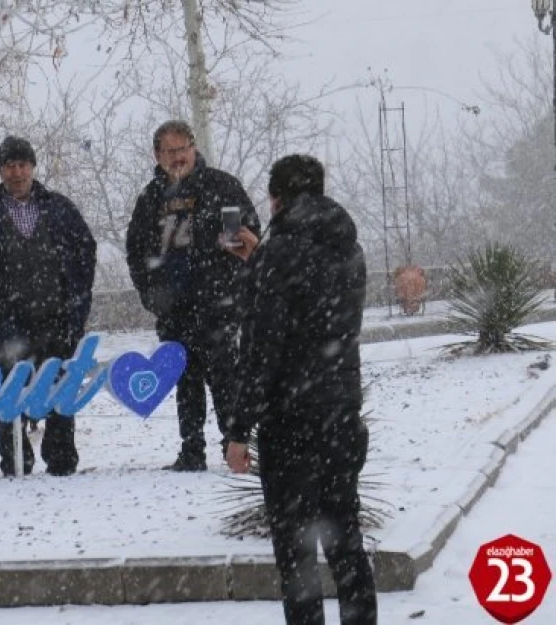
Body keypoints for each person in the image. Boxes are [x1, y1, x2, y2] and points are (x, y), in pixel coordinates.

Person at [223, 154, 377, 625]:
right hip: (341, 411)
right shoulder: (348, 249)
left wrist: (237, 429)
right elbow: (320, 316)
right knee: (345, 538)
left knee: (297, 553)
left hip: (290, 421)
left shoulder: (279, 254)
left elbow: (262, 349)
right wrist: (261, 262)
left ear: (275, 199)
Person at [0, 136, 96, 477]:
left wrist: (77, 305)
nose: (16, 172)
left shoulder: (59, 209)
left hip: (55, 319)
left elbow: (86, 253)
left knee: (58, 388)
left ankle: (61, 458)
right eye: (9, 165)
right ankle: (14, 460)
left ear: (33, 167)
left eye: (22, 164)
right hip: (2, 323)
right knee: (9, 392)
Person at [125, 120, 260, 472]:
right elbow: (136, 250)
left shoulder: (221, 186)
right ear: (158, 155)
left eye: (183, 149)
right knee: (184, 380)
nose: (178, 157)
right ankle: (191, 448)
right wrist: (150, 295)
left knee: (225, 376)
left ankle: (234, 446)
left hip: (219, 302)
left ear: (193, 148)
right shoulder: (150, 198)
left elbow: (251, 234)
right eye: (170, 151)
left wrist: (233, 263)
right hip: (173, 307)